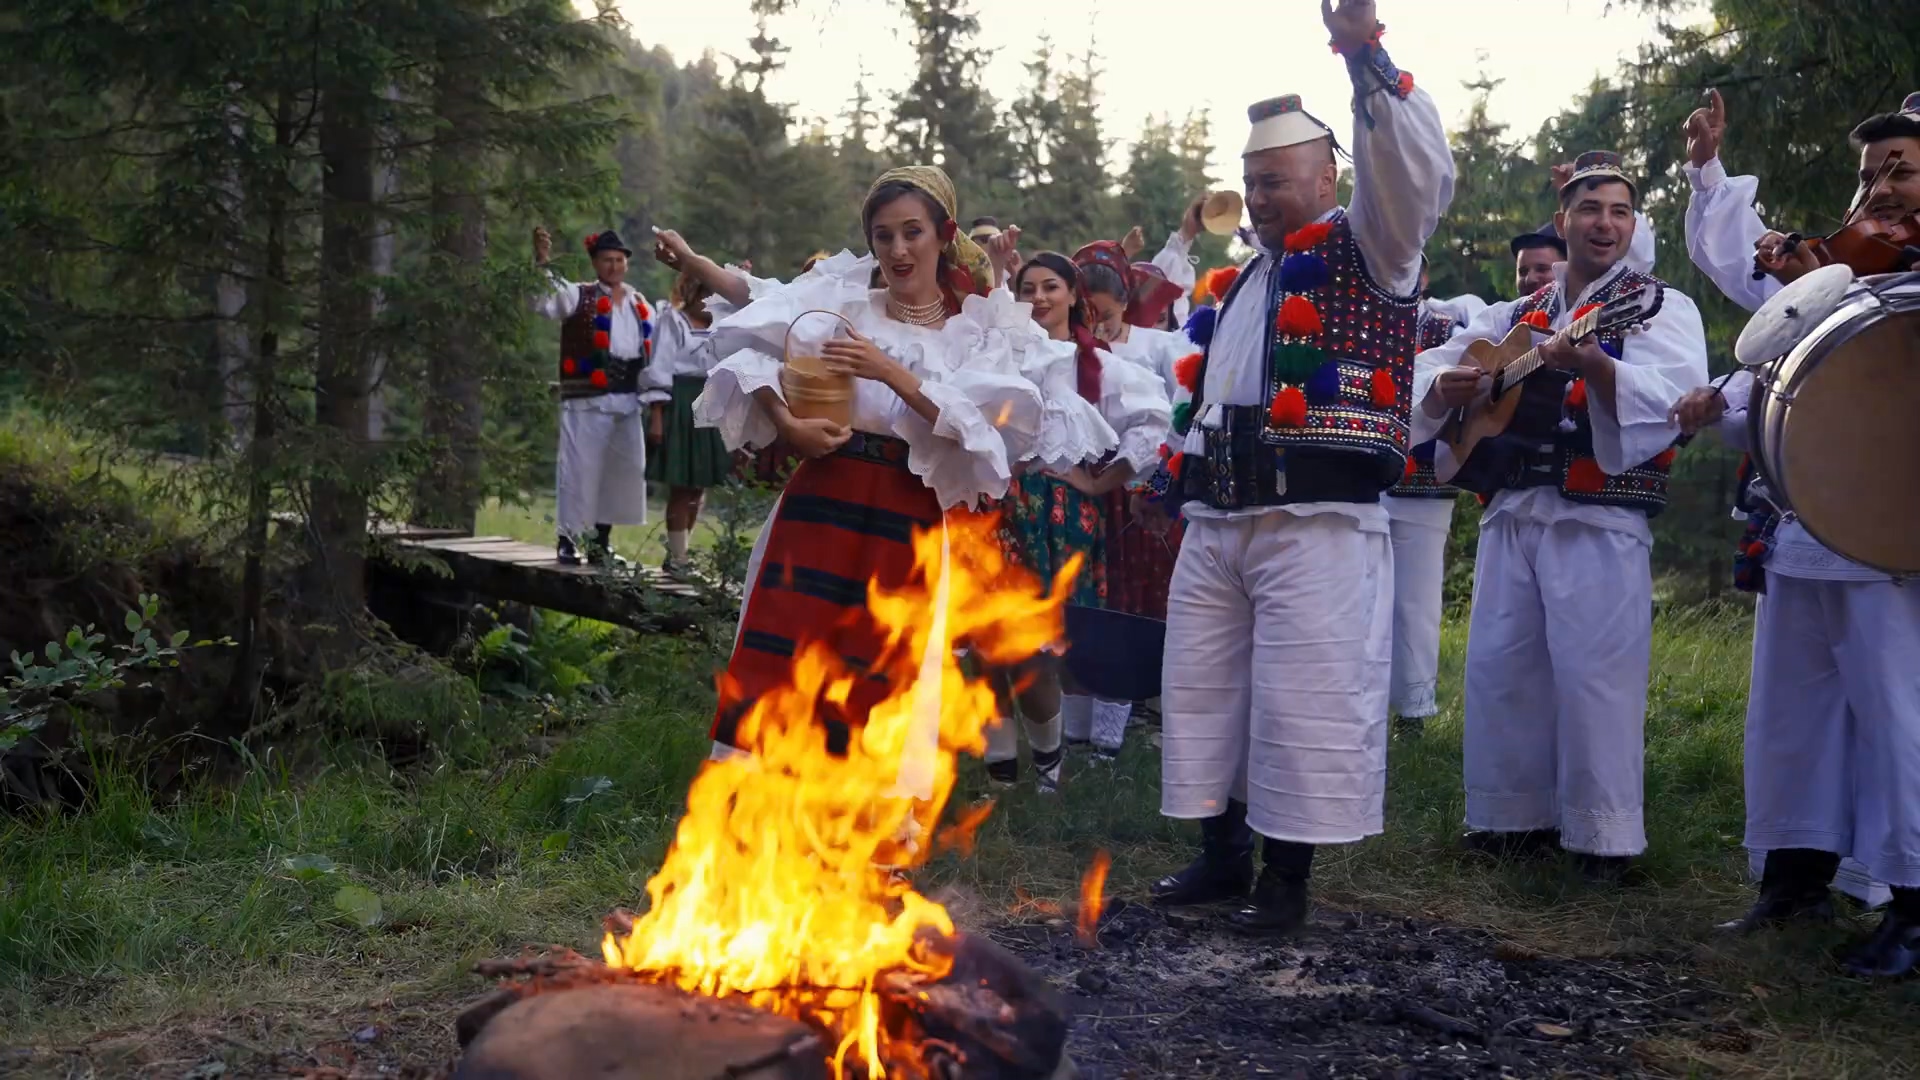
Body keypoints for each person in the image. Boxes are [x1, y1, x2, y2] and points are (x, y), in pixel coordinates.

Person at [1144, 0, 1455, 935]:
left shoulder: (1375, 249)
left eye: (1279, 180)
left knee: (1303, 699)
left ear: (1330, 176)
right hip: (1218, 522)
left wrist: (1364, 52)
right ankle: (1220, 858)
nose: (1263, 197)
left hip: (1316, 522)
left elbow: (1415, 175)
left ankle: (1286, 884)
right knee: (1205, 693)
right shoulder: (1241, 281)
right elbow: (1210, 399)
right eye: (1251, 182)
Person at [1671, 88, 1920, 977]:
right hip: (1803, 523)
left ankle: (1915, 911)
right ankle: (1795, 880)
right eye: (1871, 173)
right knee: (1792, 714)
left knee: (1901, 720)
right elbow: (1776, 345)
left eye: (1903, 170)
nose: (1882, 187)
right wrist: (1725, 403)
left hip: (1894, 544)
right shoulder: (1842, 269)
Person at [693, 166, 1057, 761]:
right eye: (883, 236)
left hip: (904, 513)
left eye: (912, 232)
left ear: (944, 235)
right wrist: (788, 424)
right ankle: (759, 816)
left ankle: (866, 824)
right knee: (788, 654)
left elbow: (979, 430)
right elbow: (746, 343)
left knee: (883, 669)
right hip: (822, 501)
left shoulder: (976, 331)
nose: (898, 249)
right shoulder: (843, 304)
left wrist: (887, 369)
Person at [1413, 151, 1709, 882]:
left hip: (1596, 513)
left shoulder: (1657, 303)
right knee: (1500, 666)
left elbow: (1676, 394)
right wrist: (1449, 389)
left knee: (1595, 675)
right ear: (1562, 221)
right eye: (1589, 209)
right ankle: (1510, 821)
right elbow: (1438, 365)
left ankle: (1603, 841)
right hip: (1514, 508)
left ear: (1633, 224)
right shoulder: (1517, 314)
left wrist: (1600, 368)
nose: (1604, 224)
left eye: (1618, 211)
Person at [980, 252, 1171, 783]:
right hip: (998, 510)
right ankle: (1002, 769)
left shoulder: (1093, 363)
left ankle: (1051, 767)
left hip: (1063, 514)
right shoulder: (1001, 354)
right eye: (1028, 289)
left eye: (1050, 287)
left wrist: (1098, 481)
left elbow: (1153, 422)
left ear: (1072, 296)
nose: (1038, 298)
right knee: (991, 641)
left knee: (1047, 642)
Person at [532, 227, 666, 565]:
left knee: (621, 470)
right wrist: (543, 263)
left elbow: (657, 345)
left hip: (627, 400)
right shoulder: (580, 295)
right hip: (587, 399)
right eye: (607, 259)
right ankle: (567, 538)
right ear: (595, 262)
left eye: (620, 260)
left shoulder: (640, 304)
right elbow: (548, 302)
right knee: (579, 469)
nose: (614, 266)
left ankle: (600, 543)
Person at [1379, 269, 1466, 736]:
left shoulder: (1441, 326)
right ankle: (1359, 702)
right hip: (1362, 476)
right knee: (1356, 595)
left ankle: (1413, 711)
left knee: (1415, 601)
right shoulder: (1361, 315)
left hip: (1423, 481)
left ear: (1426, 275)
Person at [639, 271, 738, 575]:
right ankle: (677, 558)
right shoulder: (673, 321)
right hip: (680, 401)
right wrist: (658, 417)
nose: (711, 303)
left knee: (699, 485)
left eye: (717, 297)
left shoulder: (721, 327)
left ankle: (681, 553)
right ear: (694, 293)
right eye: (707, 295)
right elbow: (660, 367)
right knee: (682, 484)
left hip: (710, 401)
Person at [1509, 223, 1566, 298]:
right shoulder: (1504, 309)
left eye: (1542, 269)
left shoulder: (1585, 308)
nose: (1530, 279)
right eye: (1523, 272)